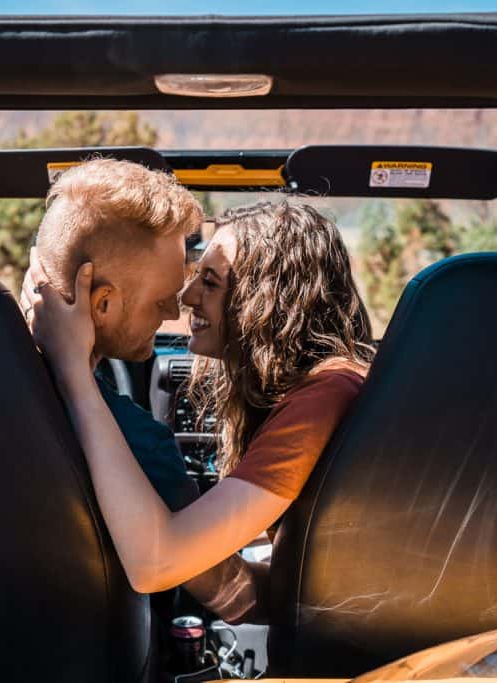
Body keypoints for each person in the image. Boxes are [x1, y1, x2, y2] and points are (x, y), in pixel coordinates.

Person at [24, 200, 374, 622]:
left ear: (267, 297)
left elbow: (157, 563)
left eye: (209, 282)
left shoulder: (327, 393)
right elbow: (250, 595)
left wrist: (72, 369)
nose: (186, 298)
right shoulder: (327, 387)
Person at [21, 158, 258, 621]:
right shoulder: (137, 442)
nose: (174, 312)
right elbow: (234, 597)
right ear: (102, 303)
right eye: (162, 298)